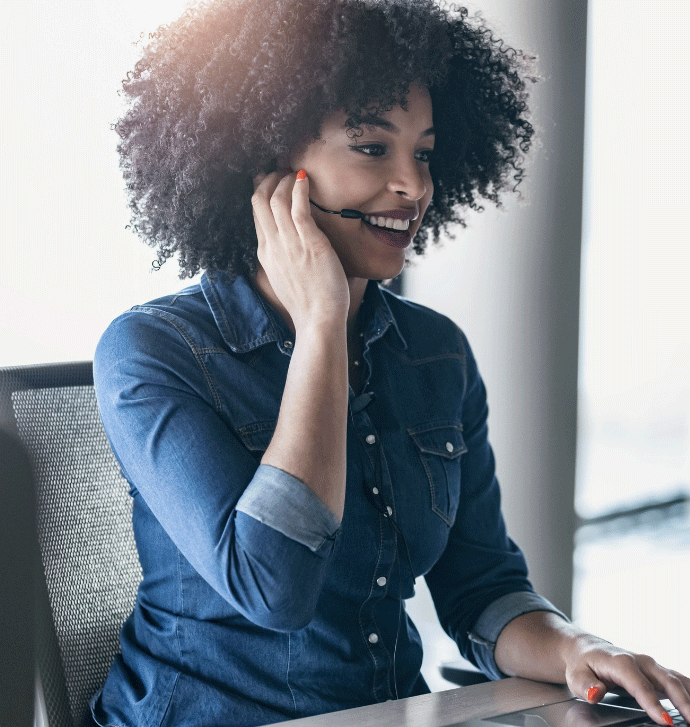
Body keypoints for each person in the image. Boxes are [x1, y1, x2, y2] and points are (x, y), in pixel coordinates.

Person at [90, 1, 690, 726]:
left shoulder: (436, 355)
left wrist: (576, 646)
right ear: (265, 165)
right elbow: (273, 587)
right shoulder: (151, 351)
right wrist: (321, 328)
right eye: (373, 148)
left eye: (426, 152)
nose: (415, 186)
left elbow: (480, 585)